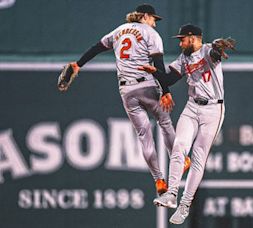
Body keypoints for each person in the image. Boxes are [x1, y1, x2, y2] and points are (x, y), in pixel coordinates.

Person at [63, 3, 190, 195]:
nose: (154, 23)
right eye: (153, 19)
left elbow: (97, 47)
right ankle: (180, 160)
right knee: (164, 122)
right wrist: (165, 91)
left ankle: (158, 180)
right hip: (147, 85)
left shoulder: (119, 31)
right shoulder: (150, 34)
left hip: (127, 91)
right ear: (145, 16)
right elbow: (158, 64)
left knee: (144, 135)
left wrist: (79, 64)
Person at [139, 24, 229, 224]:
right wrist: (154, 71)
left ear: (194, 38)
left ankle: (185, 205)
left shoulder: (207, 50)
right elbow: (170, 79)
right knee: (179, 146)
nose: (180, 43)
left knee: (198, 156)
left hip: (213, 109)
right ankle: (171, 194)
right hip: (191, 107)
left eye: (183, 39)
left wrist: (219, 48)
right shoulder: (184, 59)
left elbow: (215, 52)